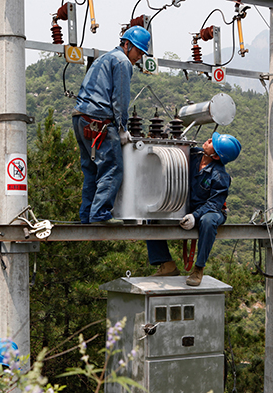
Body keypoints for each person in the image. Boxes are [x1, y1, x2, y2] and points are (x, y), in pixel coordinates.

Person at [72, 25, 151, 225]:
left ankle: (87, 215)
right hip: (100, 121)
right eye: (138, 51)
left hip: (81, 119)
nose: (139, 57)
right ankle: (99, 214)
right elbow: (120, 99)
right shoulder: (122, 62)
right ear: (127, 45)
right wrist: (122, 128)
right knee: (113, 168)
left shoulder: (104, 59)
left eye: (142, 53)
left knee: (91, 168)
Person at [146, 132, 241, 286]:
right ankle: (166, 263)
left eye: (213, 143)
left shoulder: (219, 176)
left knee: (209, 221)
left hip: (210, 210)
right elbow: (173, 154)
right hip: (187, 206)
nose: (209, 140)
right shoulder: (193, 155)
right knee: (151, 215)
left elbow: (214, 204)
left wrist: (195, 216)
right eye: (211, 138)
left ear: (216, 156)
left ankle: (198, 268)